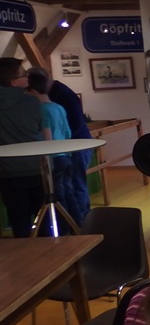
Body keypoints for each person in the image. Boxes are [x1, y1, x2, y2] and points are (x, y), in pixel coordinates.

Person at [0, 57, 43, 238]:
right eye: (24, 74)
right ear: (13, 82)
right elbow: (40, 129)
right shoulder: (32, 102)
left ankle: (23, 253)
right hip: (35, 166)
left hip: (7, 170)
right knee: (43, 218)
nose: (27, 77)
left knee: (19, 219)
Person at [27, 69, 74, 234]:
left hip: (53, 158)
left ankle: (63, 231)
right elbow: (67, 133)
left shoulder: (42, 110)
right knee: (68, 193)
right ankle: (74, 226)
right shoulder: (59, 107)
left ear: (32, 91)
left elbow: (47, 137)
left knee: (56, 197)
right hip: (65, 155)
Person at [46, 71, 93, 226]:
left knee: (75, 185)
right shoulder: (60, 95)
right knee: (73, 186)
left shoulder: (61, 95)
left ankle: (82, 223)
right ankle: (79, 223)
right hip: (73, 145)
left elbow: (73, 125)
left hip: (75, 146)